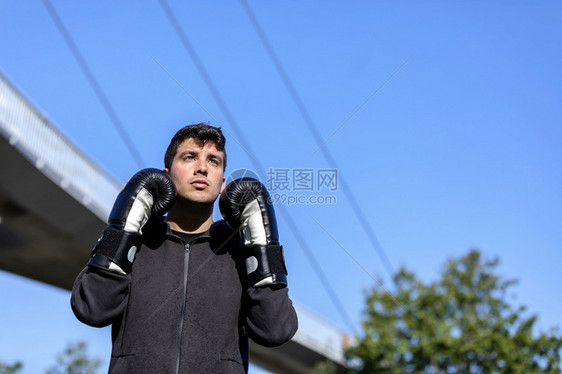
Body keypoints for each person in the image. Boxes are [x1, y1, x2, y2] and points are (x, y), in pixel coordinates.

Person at [71, 123, 298, 373]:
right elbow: (92, 309)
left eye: (213, 161)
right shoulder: (138, 240)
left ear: (223, 183)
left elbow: (276, 331)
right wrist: (123, 226)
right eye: (189, 157)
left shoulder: (240, 250)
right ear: (165, 176)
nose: (202, 168)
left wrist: (263, 244)